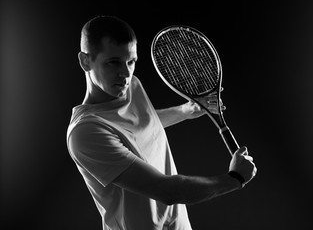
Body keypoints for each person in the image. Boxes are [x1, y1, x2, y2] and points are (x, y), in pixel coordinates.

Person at [66, 15, 257, 230]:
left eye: (131, 61)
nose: (125, 73)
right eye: (113, 62)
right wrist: (234, 178)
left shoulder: (131, 87)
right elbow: (167, 191)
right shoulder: (86, 132)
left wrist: (185, 110)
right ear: (85, 61)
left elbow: (138, 127)